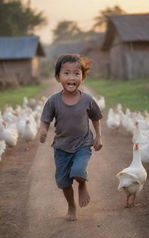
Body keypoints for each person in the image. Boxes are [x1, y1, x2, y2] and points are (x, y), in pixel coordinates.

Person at [39, 53, 103, 221]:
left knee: (78, 171)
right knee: (64, 182)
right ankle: (71, 206)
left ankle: (82, 184)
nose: (71, 77)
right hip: (61, 148)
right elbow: (45, 120)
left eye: (76, 73)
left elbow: (96, 118)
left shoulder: (87, 100)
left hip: (82, 144)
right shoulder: (53, 101)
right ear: (58, 77)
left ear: (83, 76)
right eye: (66, 73)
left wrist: (99, 137)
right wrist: (43, 131)